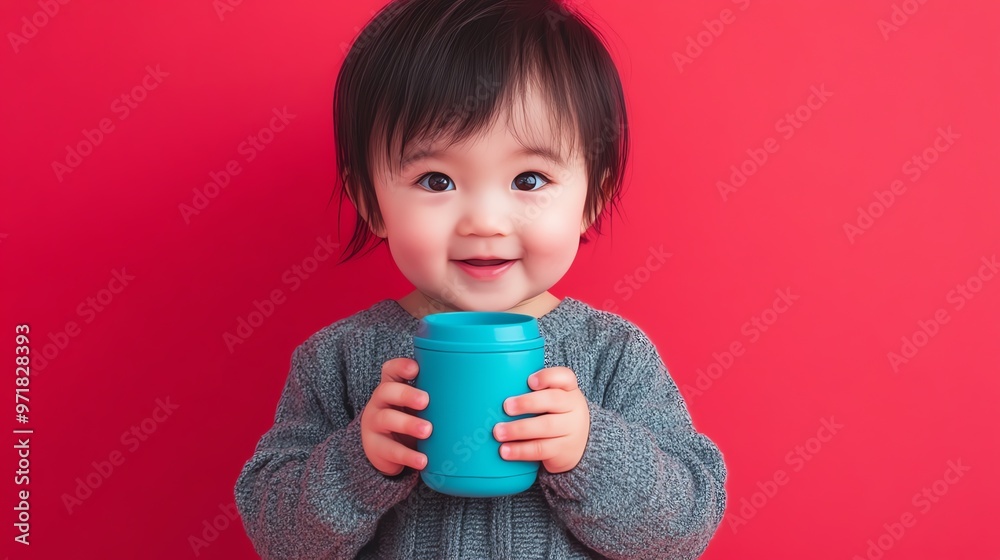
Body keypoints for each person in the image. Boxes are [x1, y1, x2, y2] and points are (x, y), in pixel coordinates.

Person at [234, 0, 727, 557]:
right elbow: (274, 533)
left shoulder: (614, 356)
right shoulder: (339, 359)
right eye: (437, 180)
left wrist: (591, 450)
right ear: (370, 201)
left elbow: (686, 526)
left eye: (530, 178)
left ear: (594, 196)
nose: (485, 223)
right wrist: (356, 464)